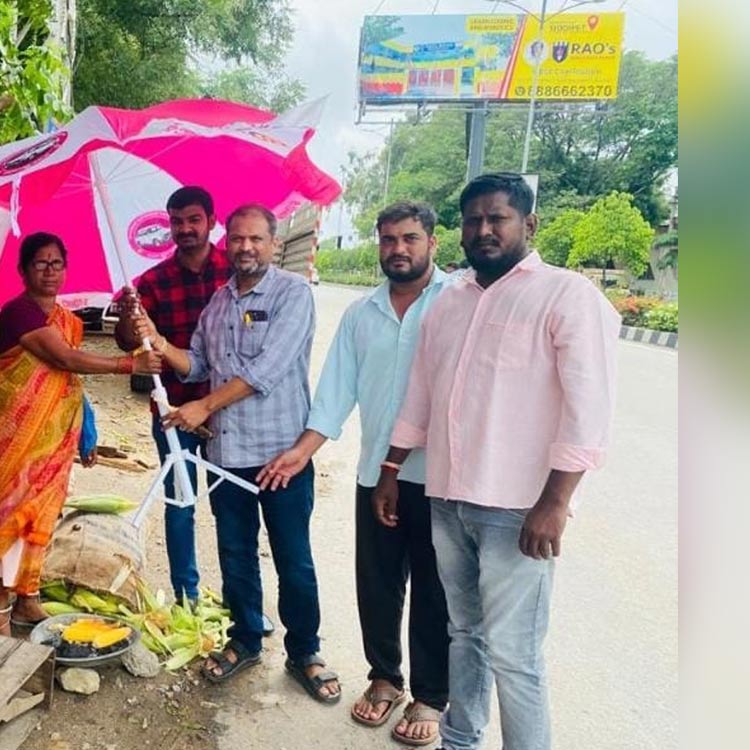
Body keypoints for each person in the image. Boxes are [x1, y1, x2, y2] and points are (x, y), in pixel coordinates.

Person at [374, 173, 619, 750]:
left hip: (518, 508)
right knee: (465, 633)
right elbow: (421, 395)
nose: (483, 229)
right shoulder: (451, 301)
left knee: (515, 655)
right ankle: (461, 739)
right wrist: (391, 469)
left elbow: (589, 410)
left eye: (498, 218)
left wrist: (555, 503)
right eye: (473, 220)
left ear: (529, 224)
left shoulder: (566, 295)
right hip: (448, 497)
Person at [260, 201, 451, 745]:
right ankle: (385, 677)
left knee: (435, 592)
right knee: (378, 583)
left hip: (441, 477)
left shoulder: (456, 303)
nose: (398, 249)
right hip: (377, 473)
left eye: (410, 238)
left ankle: (432, 696)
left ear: (432, 243)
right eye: (388, 239)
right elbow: (335, 391)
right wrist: (303, 450)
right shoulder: (362, 313)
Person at [133, 205, 340, 703]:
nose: (245, 248)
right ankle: (245, 638)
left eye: (256, 239)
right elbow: (196, 362)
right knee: (236, 555)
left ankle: (305, 652)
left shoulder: (293, 295)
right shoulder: (220, 303)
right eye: (239, 240)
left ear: (271, 244)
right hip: (226, 454)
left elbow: (267, 370)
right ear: (228, 243)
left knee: (294, 559)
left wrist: (203, 404)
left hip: (281, 456)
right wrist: (159, 339)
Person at [0, 232, 161, 637]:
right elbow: (64, 358)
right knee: (10, 516)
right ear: (24, 270)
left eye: (57, 263)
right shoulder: (19, 312)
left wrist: (85, 429)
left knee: (44, 515)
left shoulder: (67, 318)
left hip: (54, 436)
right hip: (14, 438)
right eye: (40, 263)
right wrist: (127, 366)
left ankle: (27, 599)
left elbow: (66, 381)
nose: (50, 271)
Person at [115, 186, 274, 634]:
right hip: (174, 411)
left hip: (231, 409)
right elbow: (128, 343)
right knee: (179, 503)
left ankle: (241, 603)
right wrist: (131, 315)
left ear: (210, 221)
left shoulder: (235, 270)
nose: (185, 229)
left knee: (232, 506)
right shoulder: (149, 280)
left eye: (193, 220)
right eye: (177, 221)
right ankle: (186, 599)